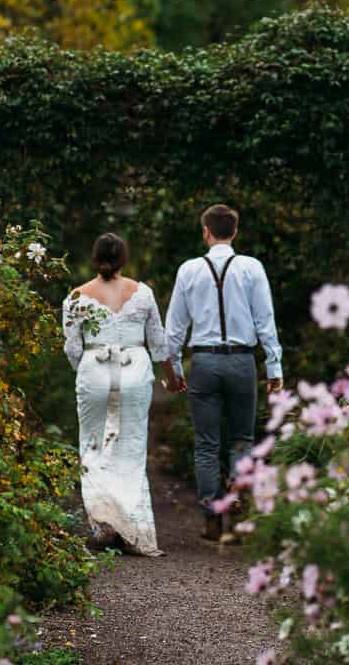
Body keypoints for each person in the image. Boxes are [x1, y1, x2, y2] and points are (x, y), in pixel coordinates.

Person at [165, 204, 283, 542]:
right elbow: (266, 321)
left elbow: (175, 327)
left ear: (205, 231)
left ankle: (211, 518)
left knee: (205, 444)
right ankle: (239, 513)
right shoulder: (252, 268)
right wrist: (274, 365)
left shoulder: (188, 270)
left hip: (203, 362)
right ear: (235, 231)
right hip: (242, 362)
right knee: (242, 439)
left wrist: (173, 369)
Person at [62, 232, 181, 556]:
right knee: (130, 447)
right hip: (134, 371)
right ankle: (132, 529)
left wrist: (88, 372)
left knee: (93, 445)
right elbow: (158, 342)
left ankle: (103, 525)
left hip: (95, 372)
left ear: (94, 257)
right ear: (125, 259)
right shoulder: (142, 293)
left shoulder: (76, 296)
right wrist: (171, 377)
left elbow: (72, 348)